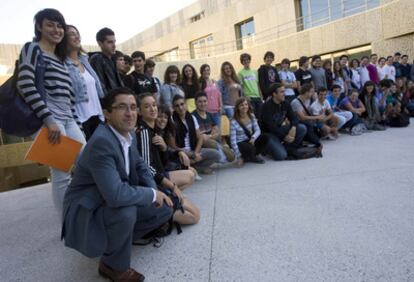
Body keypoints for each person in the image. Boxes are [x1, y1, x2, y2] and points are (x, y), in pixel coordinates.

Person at [62, 88, 173, 282]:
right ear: (107, 114)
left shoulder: (130, 135)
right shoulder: (101, 142)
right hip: (87, 209)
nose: (130, 113)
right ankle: (112, 266)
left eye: (132, 107)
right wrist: (151, 194)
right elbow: (115, 195)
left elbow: (140, 165)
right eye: (122, 107)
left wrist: (154, 190)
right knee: (126, 211)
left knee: (164, 208)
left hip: (108, 199)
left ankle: (116, 241)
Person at [17, 9, 86, 211]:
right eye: (50, 24)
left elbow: (68, 98)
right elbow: (25, 84)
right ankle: (68, 225)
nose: (56, 30)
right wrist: (48, 120)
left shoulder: (60, 58)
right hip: (49, 120)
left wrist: (77, 124)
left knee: (87, 162)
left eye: (59, 25)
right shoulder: (33, 49)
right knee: (61, 173)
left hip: (68, 120)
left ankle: (81, 210)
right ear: (39, 27)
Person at [135, 93, 200, 225]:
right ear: (139, 111)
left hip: (160, 177)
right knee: (193, 216)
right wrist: (171, 186)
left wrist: (174, 151)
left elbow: (163, 160)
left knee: (195, 214)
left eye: (154, 105)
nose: (153, 109)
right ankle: (162, 213)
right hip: (155, 184)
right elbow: (147, 168)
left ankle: (172, 200)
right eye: (147, 106)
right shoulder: (143, 132)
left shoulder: (154, 130)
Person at [66, 25, 104, 141]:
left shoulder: (85, 60)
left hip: (97, 116)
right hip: (80, 120)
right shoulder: (63, 64)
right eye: (72, 34)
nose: (76, 36)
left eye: (77, 33)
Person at [171, 95, 221, 174]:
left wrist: (196, 153)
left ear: (186, 104)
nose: (180, 108)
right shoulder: (172, 121)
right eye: (177, 106)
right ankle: (189, 166)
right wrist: (192, 155)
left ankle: (196, 167)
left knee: (217, 155)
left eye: (182, 104)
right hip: (181, 153)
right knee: (177, 162)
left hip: (193, 149)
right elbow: (173, 147)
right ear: (173, 108)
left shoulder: (192, 118)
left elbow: (200, 138)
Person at [260, 83, 307, 160]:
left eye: (284, 91)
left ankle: (287, 148)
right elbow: (270, 127)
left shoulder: (285, 103)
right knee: (282, 156)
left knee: (302, 128)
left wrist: (293, 128)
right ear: (274, 94)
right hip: (269, 134)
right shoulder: (266, 106)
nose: (284, 94)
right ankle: (269, 149)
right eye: (281, 92)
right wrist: (285, 136)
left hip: (279, 130)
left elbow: (294, 118)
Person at [192, 91, 235, 163]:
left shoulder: (210, 115)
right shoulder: (192, 116)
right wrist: (210, 135)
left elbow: (217, 133)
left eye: (204, 101)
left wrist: (208, 136)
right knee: (208, 142)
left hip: (213, 143)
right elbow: (199, 137)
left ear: (207, 102)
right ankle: (219, 155)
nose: (202, 104)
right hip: (199, 145)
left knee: (232, 157)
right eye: (200, 102)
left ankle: (221, 152)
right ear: (195, 103)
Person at [230, 97, 268, 165]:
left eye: (246, 104)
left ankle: (254, 155)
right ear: (237, 107)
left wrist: (253, 137)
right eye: (241, 105)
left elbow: (257, 130)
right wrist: (239, 156)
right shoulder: (233, 121)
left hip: (250, 139)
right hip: (240, 142)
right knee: (250, 148)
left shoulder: (251, 116)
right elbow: (233, 141)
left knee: (265, 137)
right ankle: (247, 156)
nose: (244, 107)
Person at [89, 27, 124, 97]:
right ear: (100, 43)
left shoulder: (112, 60)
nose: (114, 45)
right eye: (110, 42)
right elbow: (100, 86)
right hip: (109, 102)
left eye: (114, 42)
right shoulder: (97, 59)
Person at [290, 84, 323, 149]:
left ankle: (313, 140)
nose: (313, 94)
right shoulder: (296, 102)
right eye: (311, 92)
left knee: (312, 123)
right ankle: (314, 141)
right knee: (308, 124)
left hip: (302, 120)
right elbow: (302, 117)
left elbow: (306, 113)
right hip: (295, 121)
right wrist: (317, 117)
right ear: (306, 92)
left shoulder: (307, 100)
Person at [238, 53, 263, 118]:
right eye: (244, 60)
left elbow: (257, 85)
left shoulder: (255, 71)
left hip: (258, 97)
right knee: (252, 117)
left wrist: (261, 96)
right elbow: (241, 87)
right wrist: (245, 97)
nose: (246, 61)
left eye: (247, 60)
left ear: (249, 60)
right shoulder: (240, 73)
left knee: (260, 116)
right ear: (242, 62)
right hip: (249, 98)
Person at [199, 64, 222, 128]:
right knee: (209, 131)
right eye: (204, 70)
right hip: (206, 111)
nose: (206, 72)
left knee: (218, 131)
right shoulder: (200, 83)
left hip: (216, 111)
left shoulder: (214, 81)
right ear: (201, 72)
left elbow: (219, 95)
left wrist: (220, 106)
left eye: (208, 70)